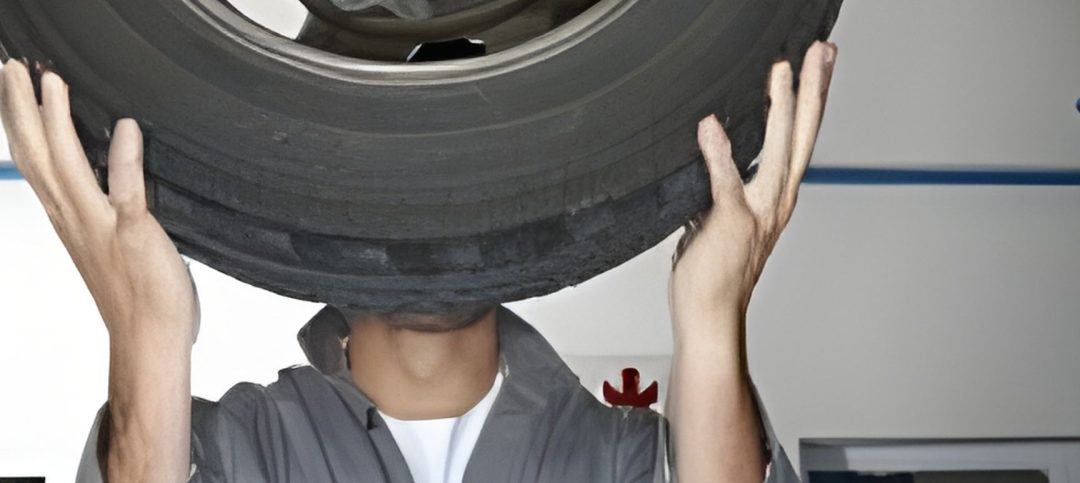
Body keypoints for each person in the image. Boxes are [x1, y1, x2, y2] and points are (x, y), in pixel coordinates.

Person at [0, 39, 837, 483]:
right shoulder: (237, 448)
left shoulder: (613, 452)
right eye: (405, 182)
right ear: (327, 213)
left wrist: (714, 321)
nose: (436, 210)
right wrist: (144, 336)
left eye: (466, 185)